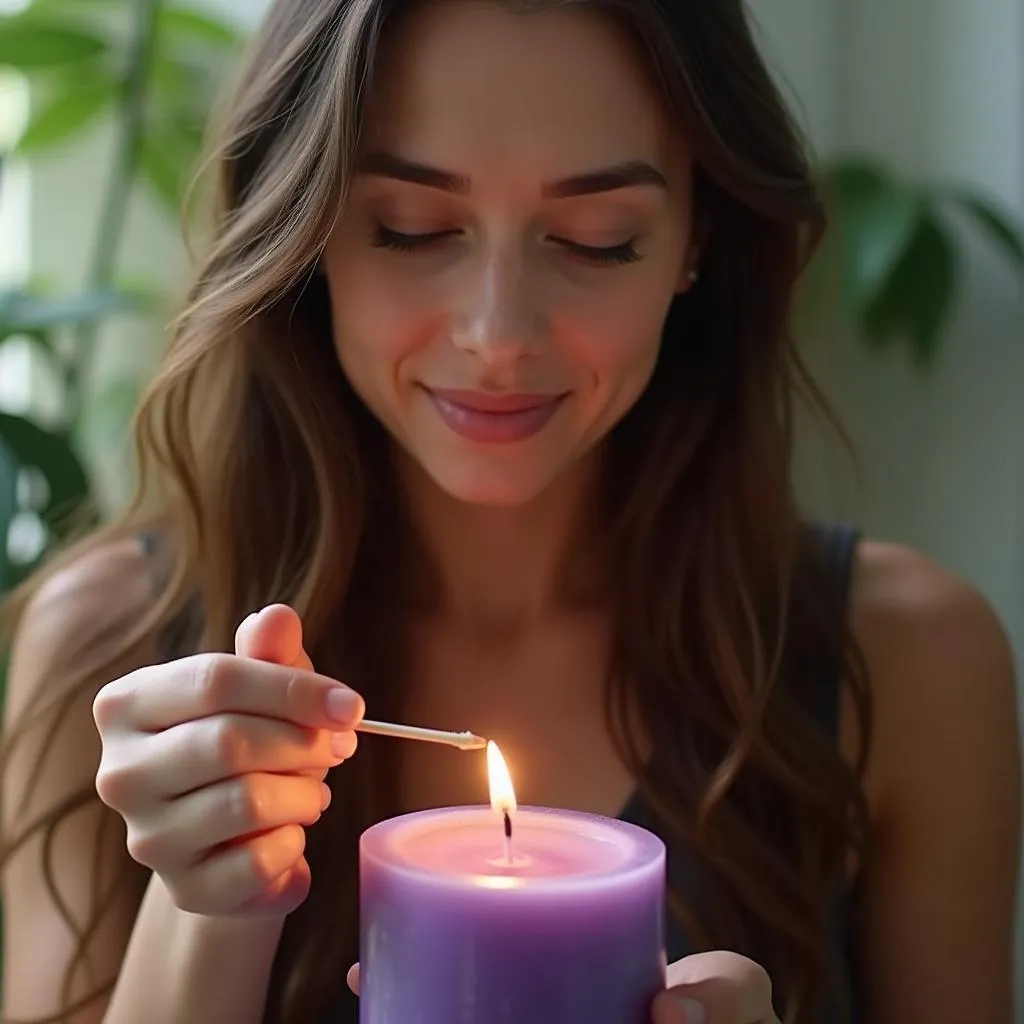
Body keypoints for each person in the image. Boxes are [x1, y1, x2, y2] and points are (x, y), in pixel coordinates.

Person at [1, 1, 1020, 1022]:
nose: (497, 332)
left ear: (696, 238)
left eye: (596, 239)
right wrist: (210, 901)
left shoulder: (905, 661)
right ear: (305, 229)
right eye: (410, 228)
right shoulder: (110, 647)